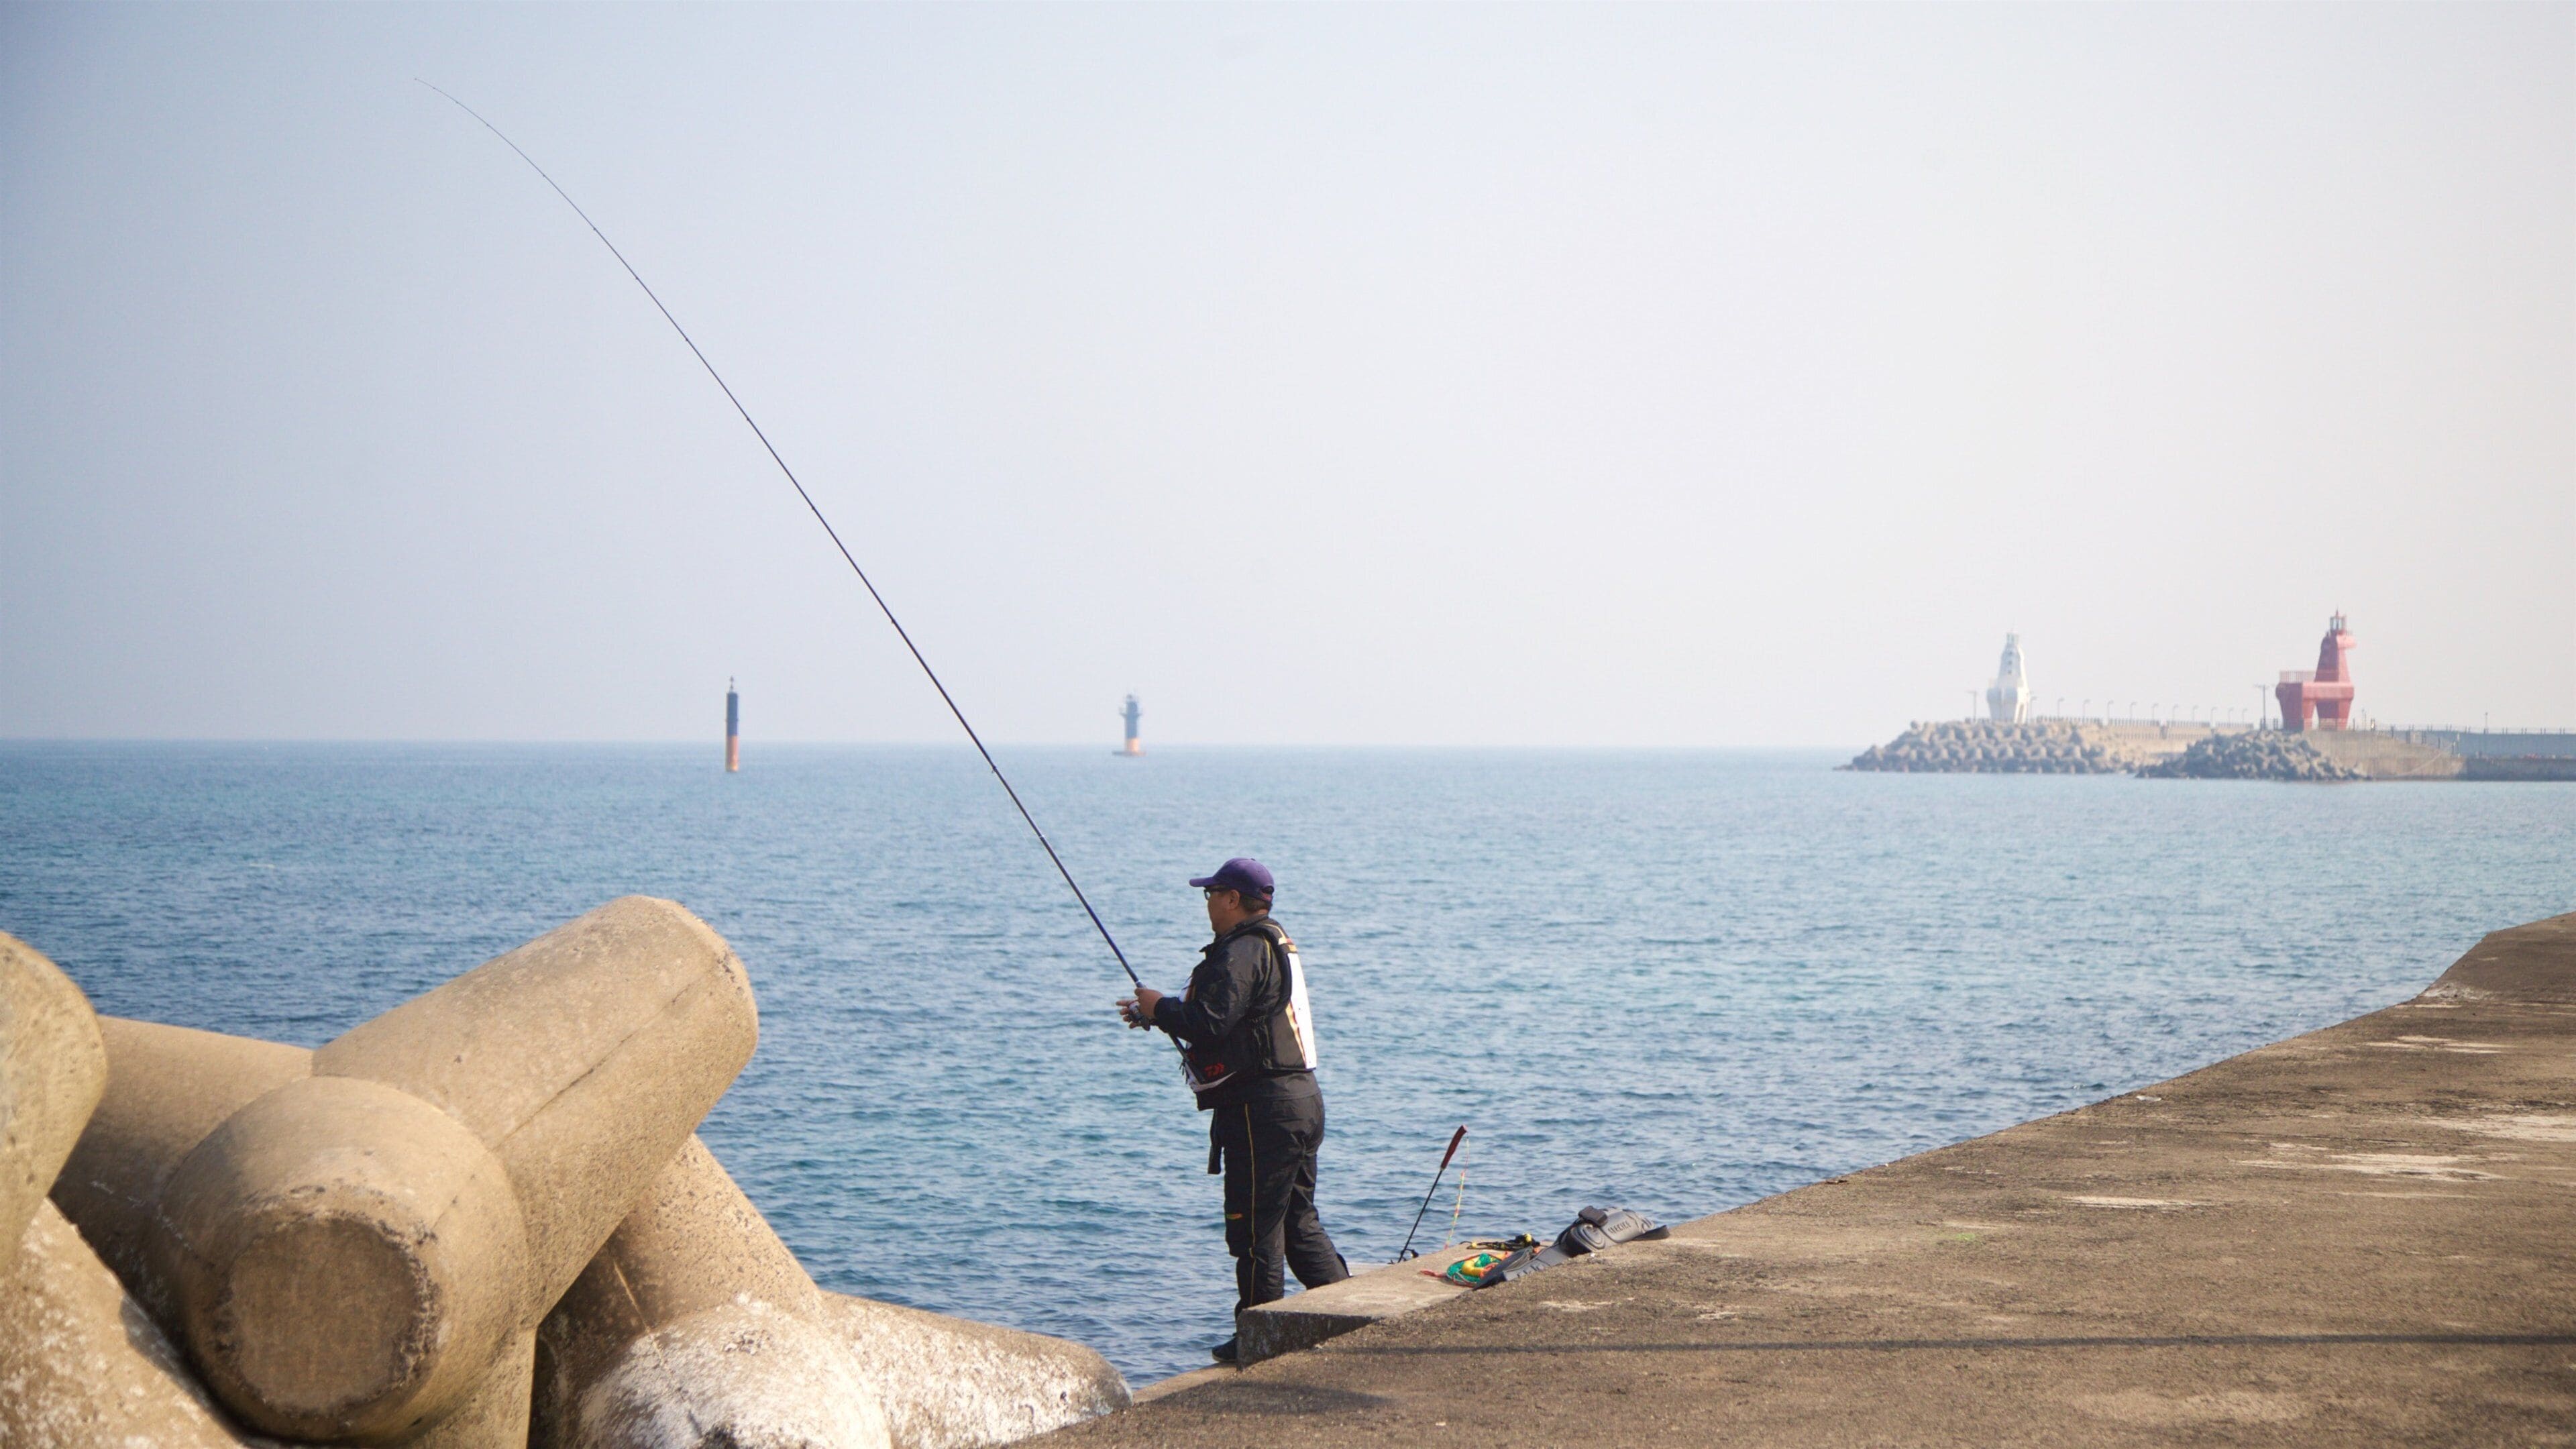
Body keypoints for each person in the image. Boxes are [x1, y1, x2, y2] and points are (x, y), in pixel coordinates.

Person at [1119, 857, 1349, 1363]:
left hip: (1262, 1111)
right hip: (1300, 1100)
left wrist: (1160, 1007)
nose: (1207, 904)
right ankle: (1352, 1315)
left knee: (1255, 1230)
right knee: (1296, 1222)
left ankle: (1259, 1338)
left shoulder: (1243, 950)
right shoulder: (1273, 943)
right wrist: (1155, 1016)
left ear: (1232, 899)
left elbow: (1210, 1021)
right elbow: (1239, 1022)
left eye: (1211, 894)